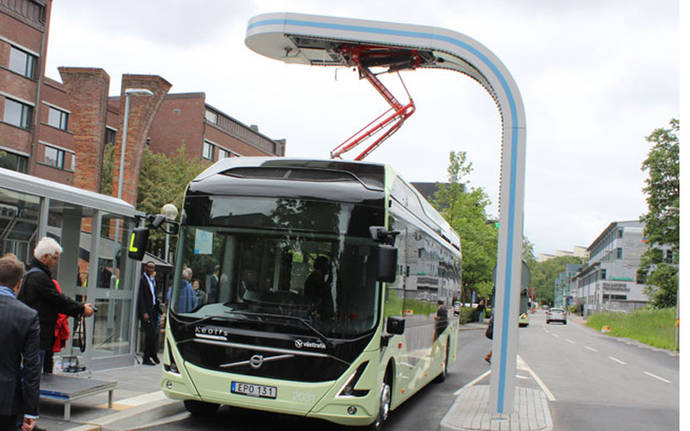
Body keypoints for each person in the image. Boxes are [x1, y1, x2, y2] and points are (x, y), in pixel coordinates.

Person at [19, 238, 94, 373]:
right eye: (54, 258)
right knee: (34, 374)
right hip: (39, 335)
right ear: (45, 256)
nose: (55, 263)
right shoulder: (39, 277)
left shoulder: (33, 274)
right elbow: (58, 300)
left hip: (38, 334)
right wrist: (81, 309)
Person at [0, 254, 40, 431]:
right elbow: (31, 367)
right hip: (6, 399)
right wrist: (31, 411)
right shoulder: (28, 316)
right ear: (18, 283)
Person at [137, 261, 161, 366]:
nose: (152, 269)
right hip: (147, 310)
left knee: (155, 334)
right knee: (150, 334)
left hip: (154, 310)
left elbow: (154, 295)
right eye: (150, 267)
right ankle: (147, 357)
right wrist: (144, 312)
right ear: (146, 267)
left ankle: (153, 354)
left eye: (153, 268)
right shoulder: (143, 280)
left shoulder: (152, 280)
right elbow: (141, 297)